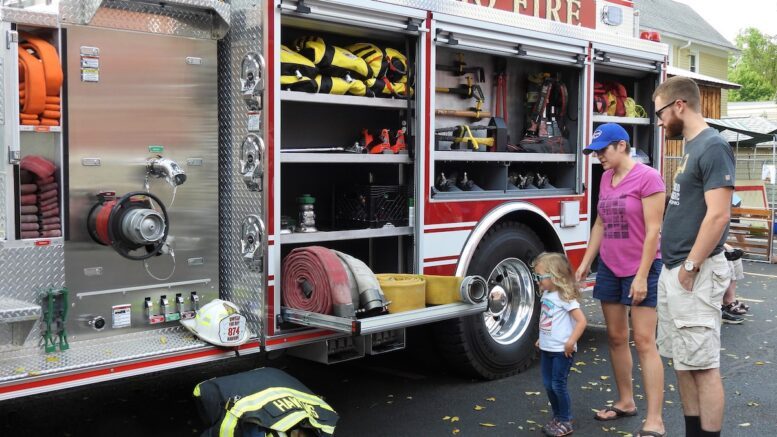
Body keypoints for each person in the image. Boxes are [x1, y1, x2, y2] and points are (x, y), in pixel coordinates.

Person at [653, 76, 735, 437]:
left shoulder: (713, 146)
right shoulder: (691, 146)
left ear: (679, 106)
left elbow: (718, 214)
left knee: (703, 365)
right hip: (676, 271)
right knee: (684, 363)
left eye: (660, 113)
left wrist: (690, 265)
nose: (659, 122)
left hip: (694, 273)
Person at [575, 123, 666, 437]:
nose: (598, 156)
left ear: (623, 146)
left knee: (644, 341)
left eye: (603, 150)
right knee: (615, 338)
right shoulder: (605, 178)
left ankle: (655, 419)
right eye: (595, 151)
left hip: (642, 268)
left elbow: (654, 230)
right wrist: (586, 262)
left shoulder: (648, 177)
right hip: (611, 268)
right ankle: (626, 401)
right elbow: (601, 222)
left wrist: (641, 276)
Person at [533, 252, 587, 436]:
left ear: (555, 276)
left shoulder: (566, 298)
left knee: (558, 384)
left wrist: (571, 342)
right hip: (548, 348)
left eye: (539, 276)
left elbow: (581, 322)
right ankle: (558, 416)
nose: (537, 280)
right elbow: (548, 320)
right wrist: (543, 338)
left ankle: (566, 420)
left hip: (562, 351)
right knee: (548, 384)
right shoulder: (547, 294)